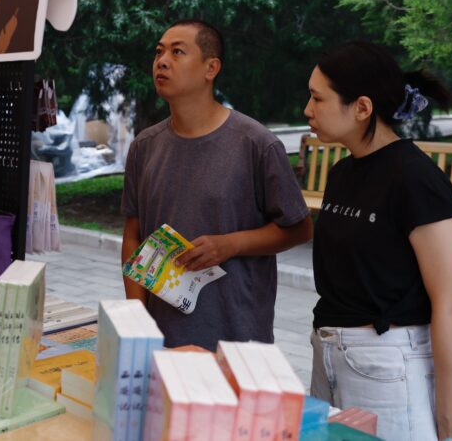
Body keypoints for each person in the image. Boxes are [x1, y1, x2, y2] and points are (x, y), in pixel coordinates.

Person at [304, 41, 452, 441]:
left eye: (317, 98)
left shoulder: (416, 180)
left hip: (385, 366)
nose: (307, 110)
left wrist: (451, 424)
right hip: (329, 355)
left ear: (362, 108)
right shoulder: (343, 172)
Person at [120, 20, 312, 351]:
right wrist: (138, 320)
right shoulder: (144, 146)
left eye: (177, 52)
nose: (162, 61)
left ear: (211, 68)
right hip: (162, 339)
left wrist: (230, 244)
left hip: (237, 340)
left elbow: (300, 229)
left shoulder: (256, 144)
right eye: (159, 52)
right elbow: (133, 236)